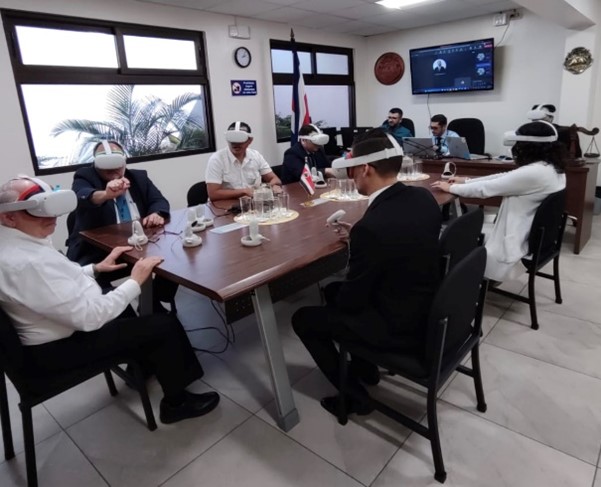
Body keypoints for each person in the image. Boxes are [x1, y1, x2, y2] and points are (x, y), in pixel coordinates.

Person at [0, 176, 220, 424]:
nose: (51, 217)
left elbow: (58, 280)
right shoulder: (26, 262)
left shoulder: (18, 243)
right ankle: (176, 404)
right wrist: (134, 281)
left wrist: (95, 268)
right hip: (59, 349)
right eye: (38, 210)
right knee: (163, 325)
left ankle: (144, 364)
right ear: (9, 217)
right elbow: (89, 318)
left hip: (59, 326)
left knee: (126, 309)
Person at [292, 129, 442, 417]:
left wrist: (362, 240)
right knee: (332, 290)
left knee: (304, 318)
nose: (351, 177)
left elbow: (352, 301)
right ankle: (366, 368)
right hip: (425, 303)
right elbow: (401, 240)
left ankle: (355, 397)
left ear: (365, 169)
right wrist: (359, 238)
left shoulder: (372, 228)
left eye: (352, 170)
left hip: (399, 325)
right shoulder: (423, 197)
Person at [431, 121, 566, 282]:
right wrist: (465, 180)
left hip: (517, 241)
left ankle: (457, 281)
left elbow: (486, 189)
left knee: (453, 235)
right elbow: (504, 177)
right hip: (535, 237)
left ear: (528, 146)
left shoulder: (535, 172)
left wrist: (451, 188)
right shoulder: (550, 168)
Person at [66, 140, 177, 312]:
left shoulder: (138, 177)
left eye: (117, 167)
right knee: (96, 289)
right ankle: (120, 312)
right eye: (107, 169)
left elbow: (159, 200)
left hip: (140, 245)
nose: (113, 172)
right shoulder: (85, 176)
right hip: (99, 252)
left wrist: (156, 213)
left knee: (174, 256)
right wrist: (105, 194)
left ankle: (154, 299)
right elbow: (82, 195)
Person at [205, 121, 282, 201]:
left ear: (250, 140)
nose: (235, 144)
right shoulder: (217, 159)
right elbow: (213, 194)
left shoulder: (256, 156)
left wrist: (268, 187)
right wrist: (244, 192)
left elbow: (275, 179)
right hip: (225, 205)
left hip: (251, 203)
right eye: (232, 140)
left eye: (240, 140)